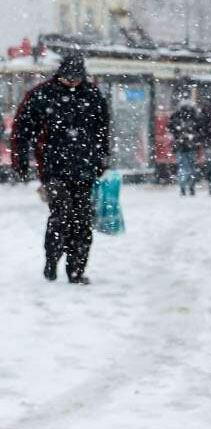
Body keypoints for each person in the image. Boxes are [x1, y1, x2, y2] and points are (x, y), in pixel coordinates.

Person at [11, 54, 110, 284]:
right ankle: (52, 258)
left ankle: (76, 270)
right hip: (53, 168)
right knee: (61, 216)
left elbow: (102, 130)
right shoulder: (42, 95)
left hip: (84, 168)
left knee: (82, 221)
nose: (73, 83)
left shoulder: (93, 95)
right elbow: (22, 129)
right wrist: (20, 160)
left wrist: (102, 158)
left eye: (77, 78)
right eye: (69, 78)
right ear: (60, 74)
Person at [169, 98, 202, 195]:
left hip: (180, 145)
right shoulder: (195, 116)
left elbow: (171, 128)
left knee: (182, 166)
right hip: (192, 145)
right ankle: (191, 186)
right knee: (191, 166)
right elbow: (200, 129)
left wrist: (177, 136)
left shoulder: (176, 116)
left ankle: (182, 186)